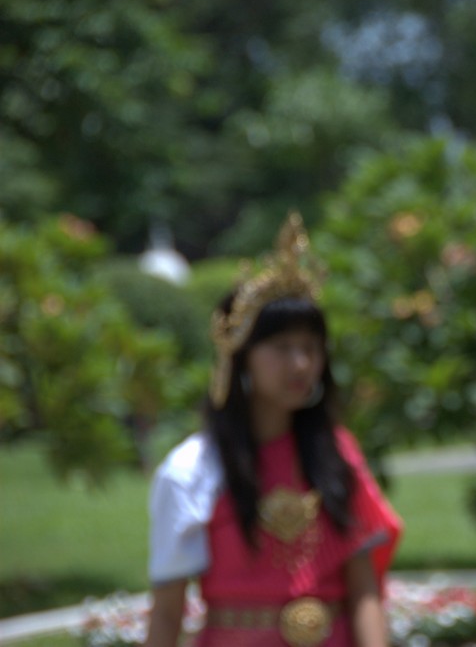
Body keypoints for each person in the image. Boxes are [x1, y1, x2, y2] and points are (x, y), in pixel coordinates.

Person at [143, 213, 402, 647]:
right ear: (241, 358)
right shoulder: (192, 469)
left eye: (310, 348)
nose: (301, 364)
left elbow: (364, 592)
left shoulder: (336, 454)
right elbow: (168, 614)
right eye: (282, 348)